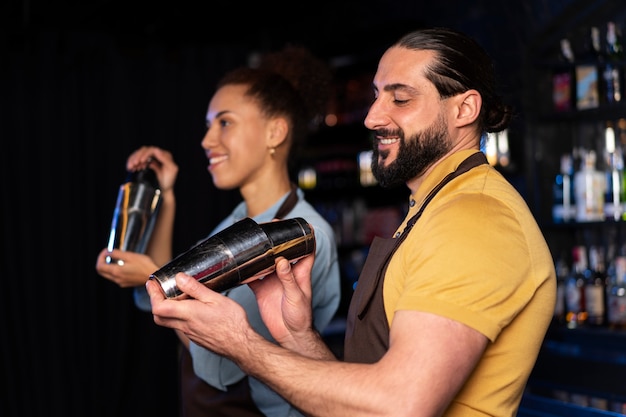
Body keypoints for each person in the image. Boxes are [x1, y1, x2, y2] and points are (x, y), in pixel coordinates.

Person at [145, 26, 557, 417]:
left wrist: (242, 344)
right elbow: (365, 400)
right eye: (377, 96)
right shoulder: (434, 207)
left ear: (464, 109)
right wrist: (298, 336)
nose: (372, 117)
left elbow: (400, 405)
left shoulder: (474, 220)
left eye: (400, 99)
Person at [95, 46, 341, 417]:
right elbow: (175, 280)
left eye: (224, 123)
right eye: (209, 126)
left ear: (275, 131)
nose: (207, 141)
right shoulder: (237, 223)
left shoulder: (303, 237)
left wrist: (152, 282)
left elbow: (219, 358)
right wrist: (168, 196)